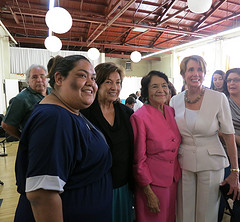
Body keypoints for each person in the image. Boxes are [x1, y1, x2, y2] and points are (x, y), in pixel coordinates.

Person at [14, 55, 113, 222]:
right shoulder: (53, 119)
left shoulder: (69, 111)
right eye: (82, 75)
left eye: (93, 78)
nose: (90, 83)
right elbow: (42, 195)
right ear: (59, 78)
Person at [169, 55, 240, 222]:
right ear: (183, 74)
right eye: (191, 69)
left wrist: (235, 172)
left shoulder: (218, 98)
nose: (196, 74)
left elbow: (229, 137)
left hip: (212, 162)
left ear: (204, 73)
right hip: (184, 161)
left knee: (206, 213)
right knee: (184, 211)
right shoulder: (175, 100)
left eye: (200, 69)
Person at [81, 62, 134, 222]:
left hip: (123, 185)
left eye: (118, 82)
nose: (114, 87)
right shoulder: (85, 114)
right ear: (97, 83)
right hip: (94, 186)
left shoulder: (127, 114)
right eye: (108, 82)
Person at [130, 71, 181, 222]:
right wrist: (148, 191)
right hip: (152, 184)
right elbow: (138, 159)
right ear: (146, 91)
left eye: (164, 85)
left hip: (172, 180)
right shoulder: (139, 117)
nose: (161, 90)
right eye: (154, 86)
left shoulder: (170, 111)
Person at [1, 64, 51, 139]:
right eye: (34, 77)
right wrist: (23, 137)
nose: (39, 80)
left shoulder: (54, 92)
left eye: (42, 76)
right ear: (28, 80)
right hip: (37, 143)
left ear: (47, 79)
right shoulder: (21, 99)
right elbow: (6, 125)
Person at [219, 68, 240, 221]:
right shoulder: (222, 102)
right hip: (227, 158)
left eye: (236, 80)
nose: (231, 83)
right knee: (224, 196)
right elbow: (217, 130)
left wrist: (230, 136)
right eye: (229, 80)